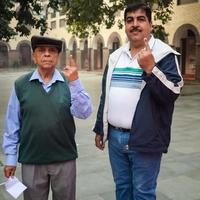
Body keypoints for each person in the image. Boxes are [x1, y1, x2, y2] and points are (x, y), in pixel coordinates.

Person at [93, 2, 183, 200]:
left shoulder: (164, 55)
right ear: (125, 25)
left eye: (141, 19)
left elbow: (171, 94)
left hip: (146, 138)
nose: (134, 24)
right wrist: (100, 126)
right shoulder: (116, 56)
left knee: (143, 193)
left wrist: (151, 69)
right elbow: (105, 94)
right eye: (129, 20)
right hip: (115, 139)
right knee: (122, 189)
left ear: (150, 24)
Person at [2, 35, 92, 200]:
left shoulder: (68, 82)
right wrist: (11, 158)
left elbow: (84, 113)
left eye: (52, 51)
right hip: (32, 159)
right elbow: (12, 124)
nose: (47, 54)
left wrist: (75, 83)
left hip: (64, 158)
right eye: (41, 50)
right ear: (34, 56)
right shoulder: (21, 85)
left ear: (57, 57)